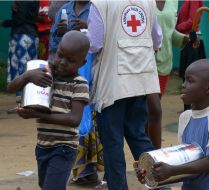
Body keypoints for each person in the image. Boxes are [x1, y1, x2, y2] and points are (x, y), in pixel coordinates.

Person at [87, 0, 163, 189]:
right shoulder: (148, 2)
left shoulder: (100, 3)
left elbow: (94, 44)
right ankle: (160, 184)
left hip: (112, 83)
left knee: (112, 141)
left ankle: (118, 187)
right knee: (138, 134)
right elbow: (157, 40)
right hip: (140, 79)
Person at [7, 31, 90, 190]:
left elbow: (74, 119)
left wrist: (37, 115)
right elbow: (11, 89)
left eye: (71, 60)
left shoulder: (79, 84)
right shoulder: (46, 75)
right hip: (42, 146)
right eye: (60, 55)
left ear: (82, 62)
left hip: (64, 147)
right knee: (46, 185)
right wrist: (27, 76)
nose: (62, 62)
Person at [135, 59, 209, 190]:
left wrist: (172, 170)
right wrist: (149, 173)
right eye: (184, 80)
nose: (183, 85)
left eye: (190, 81)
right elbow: (183, 158)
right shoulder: (185, 117)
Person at [50, 1, 104, 187]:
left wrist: (89, 29)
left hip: (92, 71)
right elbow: (54, 44)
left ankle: (89, 171)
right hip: (68, 74)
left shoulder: (97, 8)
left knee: (88, 119)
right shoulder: (64, 9)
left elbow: (103, 41)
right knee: (74, 117)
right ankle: (82, 172)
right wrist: (59, 32)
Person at [147, 0, 189, 149]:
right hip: (143, 62)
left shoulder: (173, 2)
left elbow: (169, 31)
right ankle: (154, 152)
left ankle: (150, 151)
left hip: (164, 63)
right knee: (152, 110)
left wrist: (183, 39)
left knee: (151, 111)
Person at [0, 1, 39, 112]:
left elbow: (20, 20)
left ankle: (22, 103)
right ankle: (27, 101)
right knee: (29, 69)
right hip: (31, 36)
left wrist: (4, 23)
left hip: (21, 37)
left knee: (19, 70)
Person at [176, 0, 206, 111]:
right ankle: (188, 107)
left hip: (192, 40)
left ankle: (191, 108)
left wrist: (176, 28)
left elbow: (192, 20)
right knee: (188, 75)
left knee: (191, 76)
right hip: (188, 39)